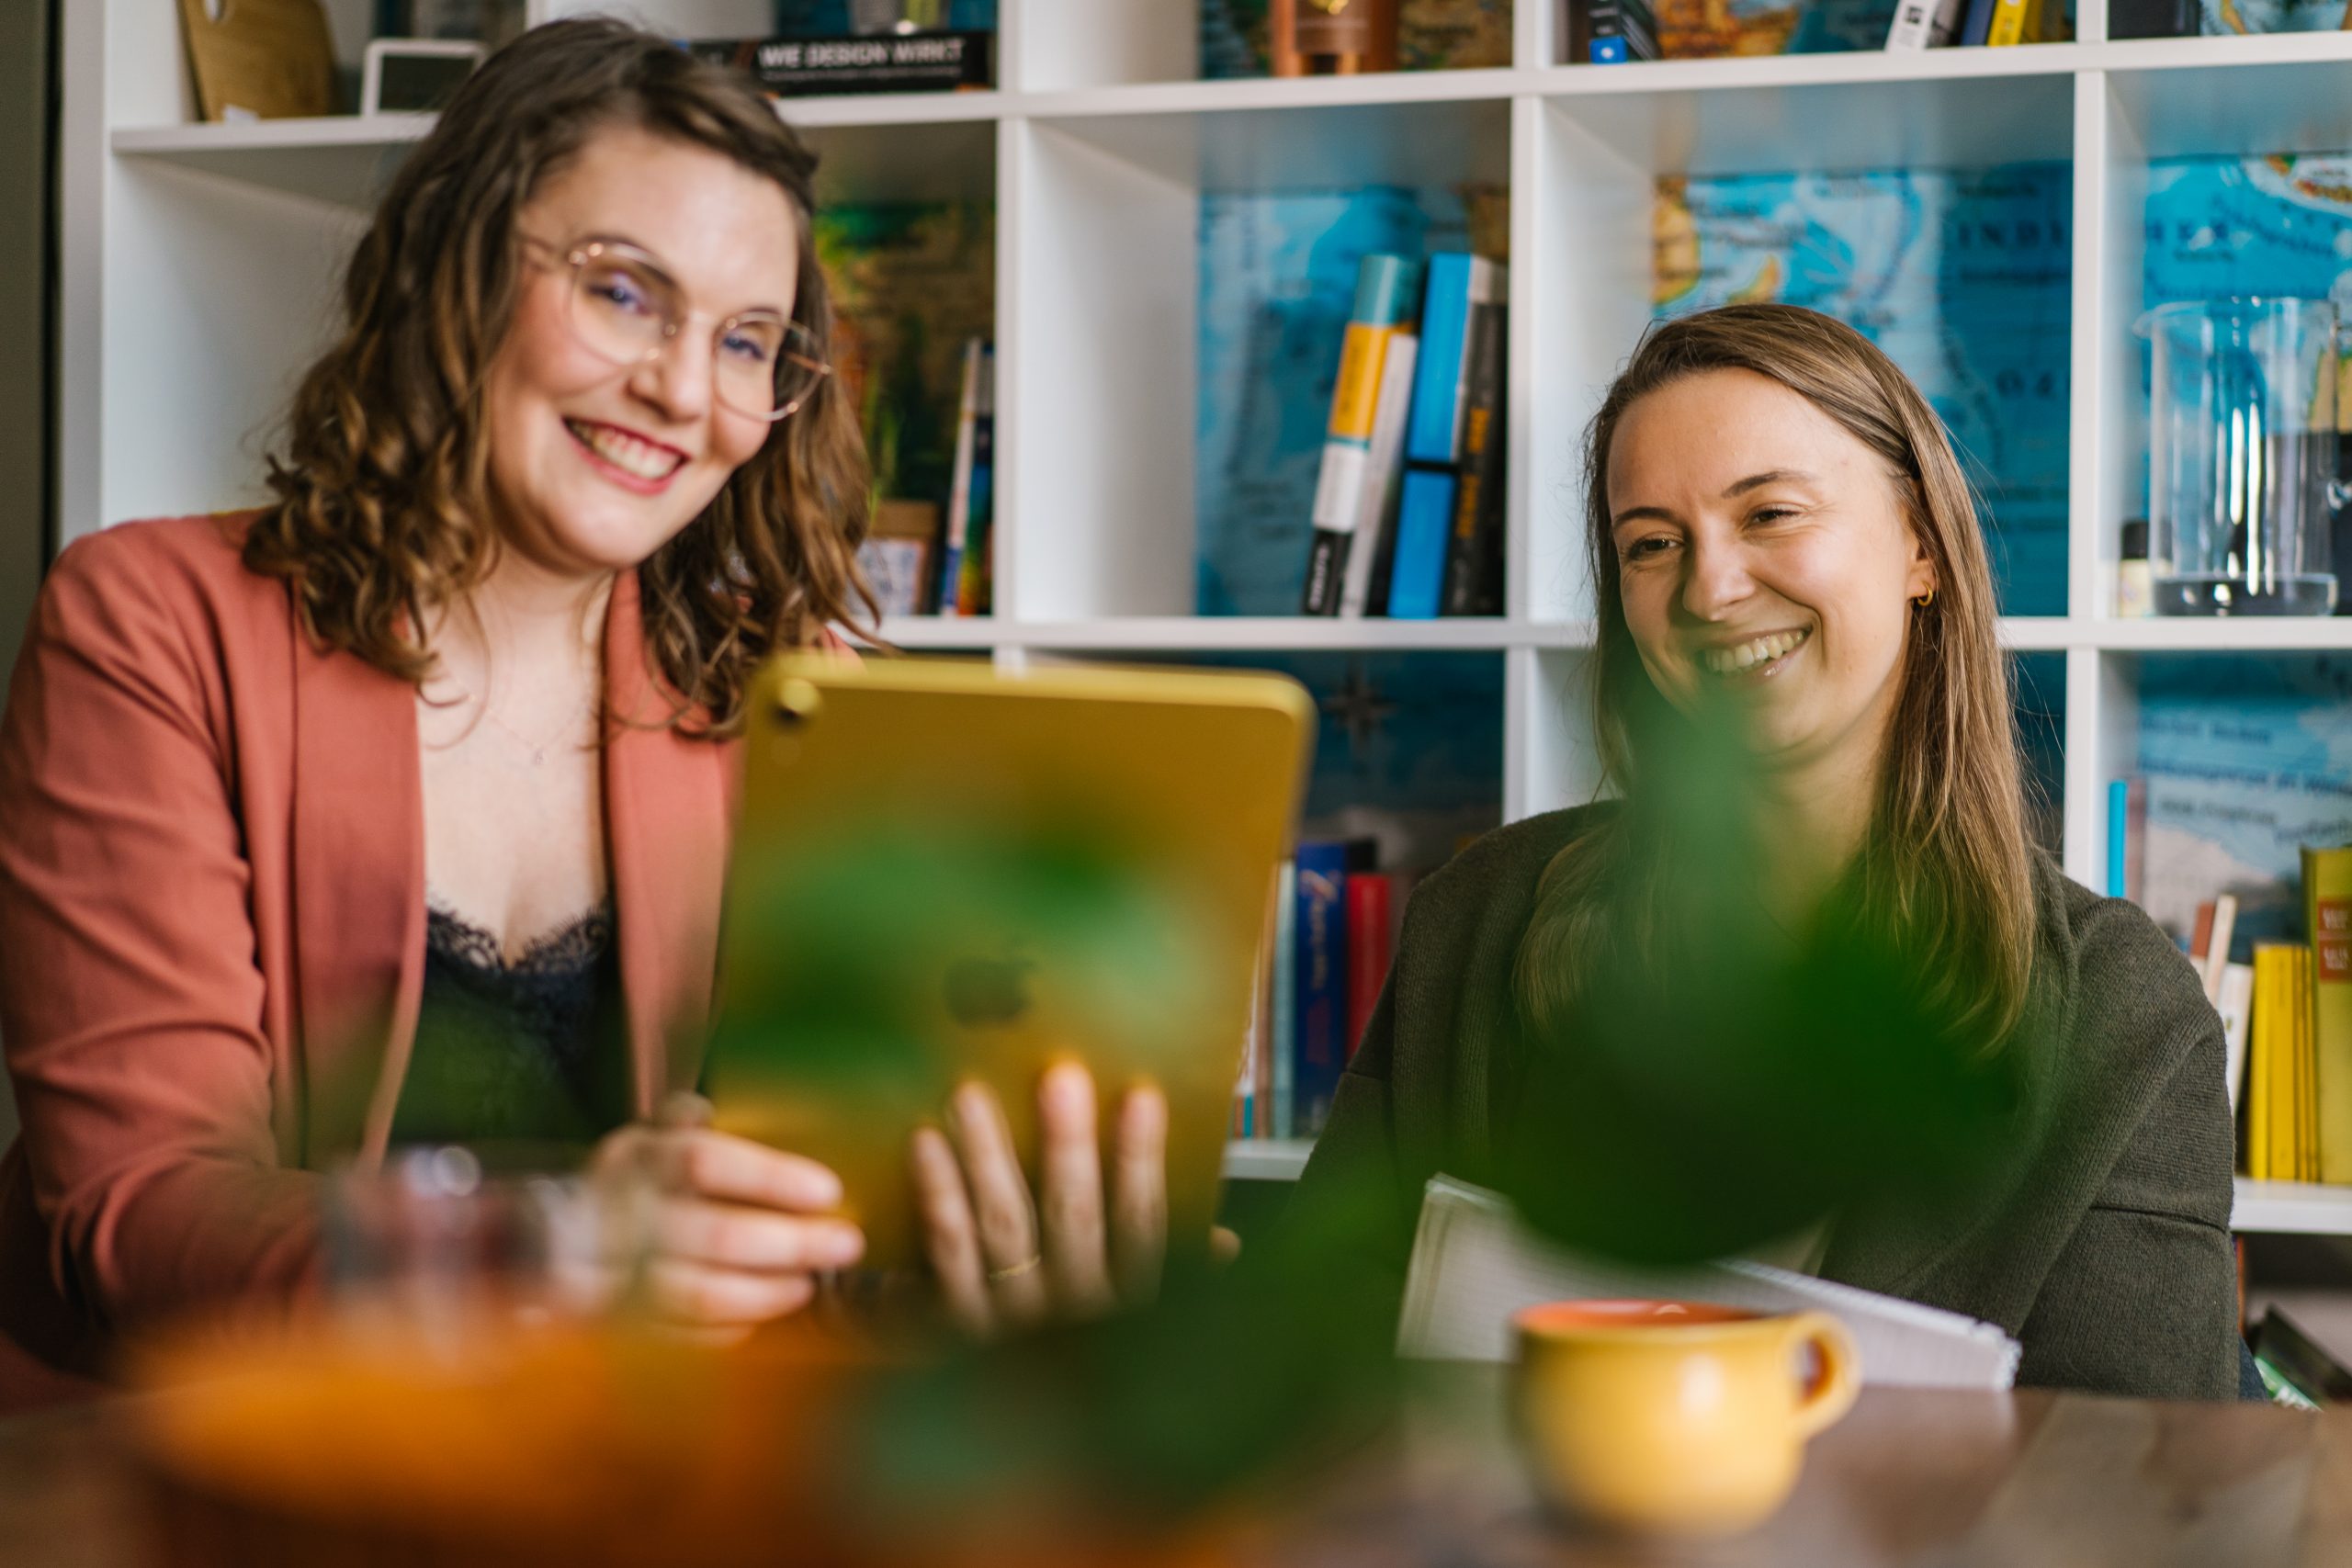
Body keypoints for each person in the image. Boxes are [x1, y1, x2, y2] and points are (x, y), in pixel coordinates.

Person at [0, 18, 1157, 1409]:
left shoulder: (797, 699)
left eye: (747, 342)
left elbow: (820, 1216)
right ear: (454, 265)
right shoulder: (151, 620)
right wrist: (550, 1242)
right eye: (622, 292)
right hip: (206, 1457)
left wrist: (998, 1256)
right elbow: (138, 1215)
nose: (683, 390)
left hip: (618, 1468)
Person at [1287, 303, 2243, 1400]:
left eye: (1771, 514)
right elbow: (1314, 1376)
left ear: (1921, 546)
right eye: (1652, 544)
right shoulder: (1478, 916)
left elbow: (2135, 1478)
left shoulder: (2124, 1017)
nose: (1710, 589)